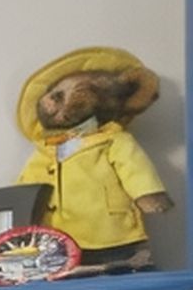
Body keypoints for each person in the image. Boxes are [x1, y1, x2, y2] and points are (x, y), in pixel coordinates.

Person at [14, 48, 171, 273]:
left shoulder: (113, 140)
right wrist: (18, 218)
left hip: (111, 231)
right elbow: (28, 186)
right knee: (67, 283)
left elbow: (134, 167)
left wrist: (148, 194)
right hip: (58, 238)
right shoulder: (45, 151)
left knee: (122, 276)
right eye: (55, 94)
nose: (54, 102)